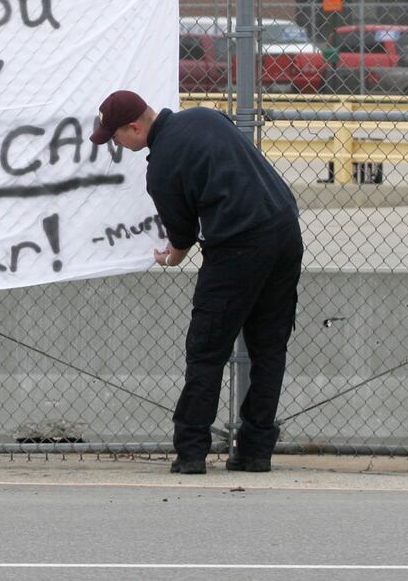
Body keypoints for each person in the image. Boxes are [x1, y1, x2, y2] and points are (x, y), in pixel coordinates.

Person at [90, 90, 302, 475]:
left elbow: (182, 235)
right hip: (285, 230)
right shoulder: (206, 116)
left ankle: (191, 452)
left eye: (116, 136)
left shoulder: (163, 166)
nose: (116, 144)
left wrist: (169, 258)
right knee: (269, 347)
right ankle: (255, 451)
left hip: (236, 246)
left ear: (135, 127)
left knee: (206, 350)